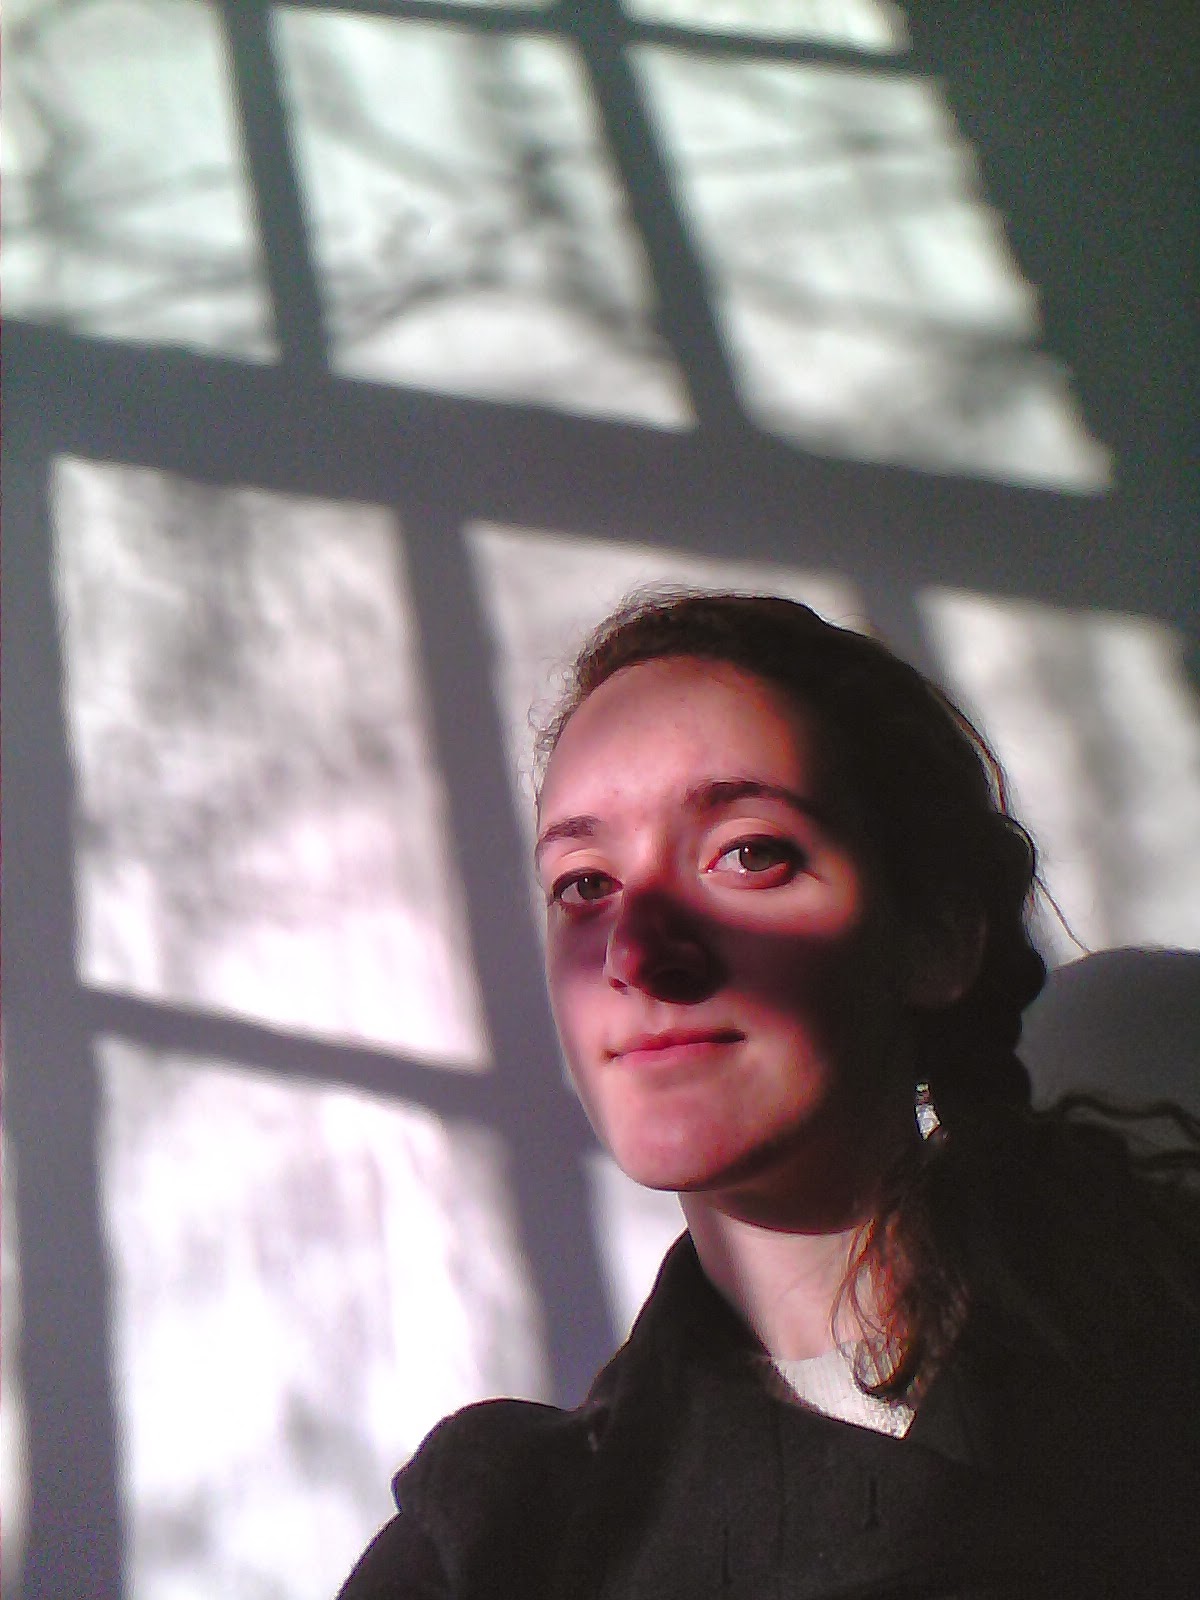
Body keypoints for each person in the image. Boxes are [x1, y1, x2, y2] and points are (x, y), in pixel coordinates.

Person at [338, 591, 1200, 1598]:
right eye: (585, 884)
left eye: (748, 853)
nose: (633, 950)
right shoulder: (488, 1545)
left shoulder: (1163, 1349)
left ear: (936, 935)